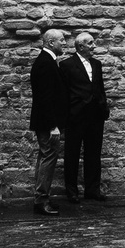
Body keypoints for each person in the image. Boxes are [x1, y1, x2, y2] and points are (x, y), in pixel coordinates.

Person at [27, 27, 72, 215]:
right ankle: (41, 200)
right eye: (62, 40)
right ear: (51, 43)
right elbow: (45, 99)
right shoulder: (46, 63)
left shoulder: (48, 61)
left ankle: (41, 198)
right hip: (48, 123)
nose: (65, 43)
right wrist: (53, 126)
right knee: (48, 158)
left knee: (45, 157)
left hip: (47, 121)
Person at [65, 29, 111, 202]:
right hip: (76, 116)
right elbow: (65, 92)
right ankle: (72, 191)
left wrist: (104, 107)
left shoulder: (97, 64)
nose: (94, 46)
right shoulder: (67, 65)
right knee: (72, 154)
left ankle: (92, 189)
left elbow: (100, 88)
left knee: (94, 153)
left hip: (95, 116)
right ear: (80, 46)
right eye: (90, 43)